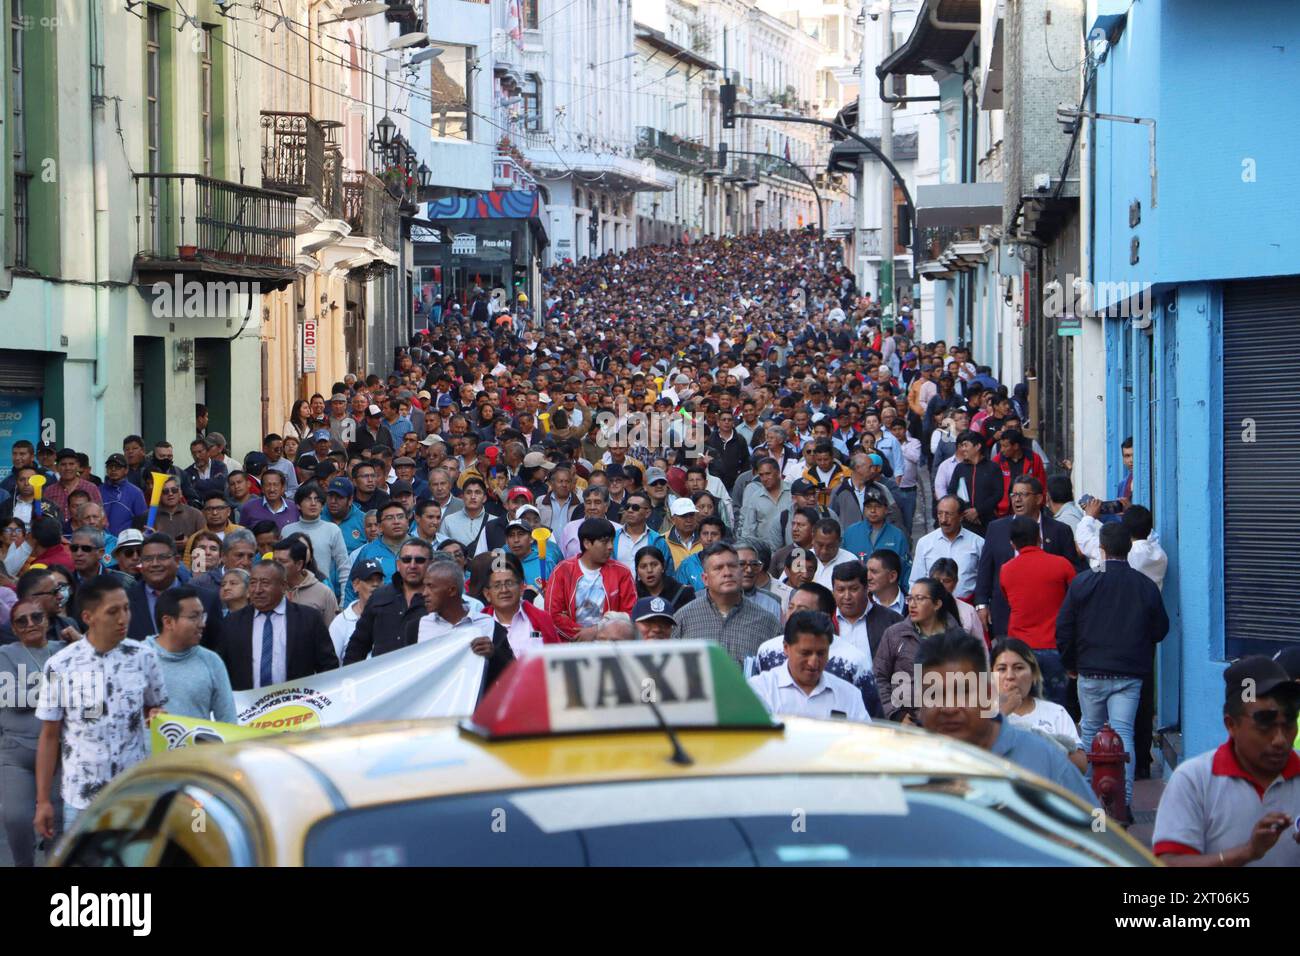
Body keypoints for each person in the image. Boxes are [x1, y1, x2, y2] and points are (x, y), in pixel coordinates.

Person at [34, 576, 167, 836]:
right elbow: (49, 736)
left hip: (133, 794)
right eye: (113, 611)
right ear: (88, 617)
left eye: (127, 608)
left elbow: (156, 710)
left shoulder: (144, 657)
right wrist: (43, 801)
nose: (123, 618)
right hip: (81, 797)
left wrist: (157, 716)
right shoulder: (61, 665)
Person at [1056, 522, 1170, 812]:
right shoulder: (1144, 585)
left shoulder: (1084, 582)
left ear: (1102, 549)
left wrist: (1071, 663)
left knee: (1090, 733)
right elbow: (1160, 629)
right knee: (1124, 733)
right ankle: (1123, 804)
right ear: (1129, 548)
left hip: (1090, 671)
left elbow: (1064, 628)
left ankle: (1091, 802)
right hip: (1130, 674)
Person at [914, 630, 1094, 804]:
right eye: (934, 695)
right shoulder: (905, 770)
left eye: (963, 692)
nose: (949, 708)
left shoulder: (1043, 758)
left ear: (988, 693)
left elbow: (1097, 824)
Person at [1153, 657, 1300, 867]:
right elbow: (1169, 863)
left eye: (1288, 725)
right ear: (1231, 725)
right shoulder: (1194, 780)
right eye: (1265, 726)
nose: (1279, 739)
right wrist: (1247, 853)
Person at [0, 598, 66, 865]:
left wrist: (79, 639)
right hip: (18, 752)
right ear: (14, 629)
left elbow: (92, 684)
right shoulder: (5, 654)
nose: (30, 624)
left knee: (58, 821)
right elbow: (8, 696)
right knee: (15, 818)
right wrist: (58, 691)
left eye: (36, 617)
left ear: (47, 620)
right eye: (21, 621)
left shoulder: (65, 650)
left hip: (60, 752)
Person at [973, 475, 1078, 638]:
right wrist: (981, 604)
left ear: (1038, 498)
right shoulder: (996, 528)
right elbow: (985, 570)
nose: (1017, 500)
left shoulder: (1060, 530)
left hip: (1049, 620)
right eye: (1014, 495)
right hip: (1006, 616)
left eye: (1023, 495)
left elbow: (1072, 572)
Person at [215, 560, 339, 691]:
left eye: (265, 583)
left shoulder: (308, 619)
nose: (257, 590)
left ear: (283, 586)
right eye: (252, 583)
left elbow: (328, 667)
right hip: (248, 706)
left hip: (296, 706)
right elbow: (220, 670)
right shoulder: (232, 623)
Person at [996, 516, 1077, 707]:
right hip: (1054, 646)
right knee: (1057, 708)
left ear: (1012, 544)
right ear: (1039, 538)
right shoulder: (1062, 565)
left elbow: (1008, 599)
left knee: (1022, 707)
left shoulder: (1006, 570)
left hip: (1020, 650)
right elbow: (1076, 601)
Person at [748, 610, 870, 722]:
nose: (813, 663)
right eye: (805, 653)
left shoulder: (849, 695)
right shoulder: (760, 690)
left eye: (821, 653)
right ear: (786, 648)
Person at [874, 577, 967, 720]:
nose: (912, 604)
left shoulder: (959, 639)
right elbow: (879, 677)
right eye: (910, 599)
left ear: (937, 604)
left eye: (920, 599)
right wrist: (897, 714)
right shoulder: (894, 634)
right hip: (905, 723)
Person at [672, 542, 778, 667]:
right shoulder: (683, 619)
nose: (727, 573)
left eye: (733, 566)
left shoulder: (766, 621)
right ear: (705, 579)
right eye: (718, 568)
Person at [992, 638, 1086, 772]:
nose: (1010, 676)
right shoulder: (981, 714)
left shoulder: (1055, 712)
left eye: (1018, 668)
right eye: (1001, 669)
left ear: (1033, 674)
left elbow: (1082, 765)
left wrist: (1047, 749)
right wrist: (1002, 713)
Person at [147, 587, 236, 723]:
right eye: (194, 617)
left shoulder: (212, 662)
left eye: (202, 616)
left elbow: (228, 721)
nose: (202, 624)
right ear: (168, 622)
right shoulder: (137, 659)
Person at [342, 539, 436, 662]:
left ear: (431, 564)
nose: (412, 565)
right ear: (398, 564)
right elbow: (358, 646)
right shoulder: (379, 597)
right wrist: (350, 679)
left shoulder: (440, 599)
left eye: (419, 560)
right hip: (383, 678)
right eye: (406, 560)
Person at [545, 518, 638, 641]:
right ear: (587, 543)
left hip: (611, 645)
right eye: (605, 542)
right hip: (569, 647)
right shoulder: (562, 571)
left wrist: (597, 631)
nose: (610, 547)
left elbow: (631, 612)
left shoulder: (622, 572)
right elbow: (553, 614)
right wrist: (581, 636)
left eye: (612, 541)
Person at [126, 533, 222, 645]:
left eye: (162, 557)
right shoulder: (125, 602)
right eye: (148, 559)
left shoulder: (207, 600)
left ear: (177, 561)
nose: (155, 564)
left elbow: (218, 648)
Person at [482, 550, 561, 660]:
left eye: (509, 583)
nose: (504, 590)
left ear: (521, 588)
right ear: (487, 594)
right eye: (497, 585)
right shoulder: (479, 626)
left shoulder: (542, 619)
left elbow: (557, 658)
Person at [909, 495, 983, 598]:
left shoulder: (978, 543)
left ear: (961, 516)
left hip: (966, 607)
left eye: (949, 514)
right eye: (940, 514)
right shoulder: (925, 543)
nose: (943, 520)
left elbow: (984, 582)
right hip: (932, 609)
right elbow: (915, 580)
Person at [843, 491, 910, 581]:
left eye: (878, 506)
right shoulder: (850, 532)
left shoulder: (897, 535)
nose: (873, 511)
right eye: (868, 507)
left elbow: (905, 568)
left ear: (886, 509)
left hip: (887, 589)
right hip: (857, 588)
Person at [272, 537, 339, 627]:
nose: (276, 566)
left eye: (282, 561)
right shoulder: (267, 589)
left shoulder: (323, 593)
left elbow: (332, 631)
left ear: (299, 564)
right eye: (274, 561)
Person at [328, 558, 384, 662]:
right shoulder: (340, 623)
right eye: (369, 580)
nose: (375, 584)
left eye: (379, 579)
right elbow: (331, 663)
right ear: (356, 585)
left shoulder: (390, 615)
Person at [441, 475, 507, 558]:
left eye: (477, 492)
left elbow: (500, 553)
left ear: (484, 498)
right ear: (463, 497)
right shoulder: (448, 521)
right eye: (468, 492)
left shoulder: (495, 522)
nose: (473, 497)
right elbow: (442, 553)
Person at [633, 545, 695, 615]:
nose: (649, 570)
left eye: (654, 565)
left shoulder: (683, 592)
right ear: (637, 571)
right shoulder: (632, 594)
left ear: (663, 566)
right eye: (643, 566)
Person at [190, 527, 257, 590]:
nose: (246, 562)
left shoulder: (258, 584)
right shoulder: (200, 584)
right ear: (224, 556)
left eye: (250, 556)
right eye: (239, 555)